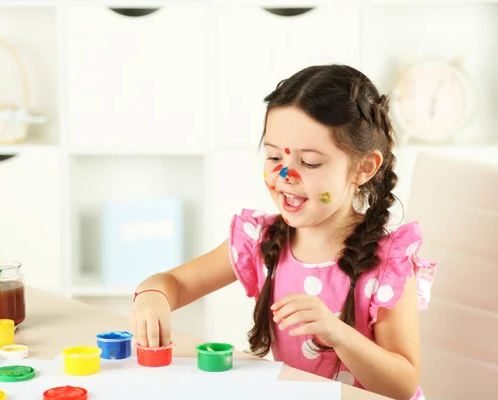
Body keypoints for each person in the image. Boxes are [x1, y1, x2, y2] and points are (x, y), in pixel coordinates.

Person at [130, 64, 437, 400]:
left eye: (310, 163)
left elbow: (402, 384)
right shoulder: (259, 241)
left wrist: (337, 333)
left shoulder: (388, 262)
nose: (285, 175)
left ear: (363, 168)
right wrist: (153, 296)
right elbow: (173, 283)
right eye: (274, 156)